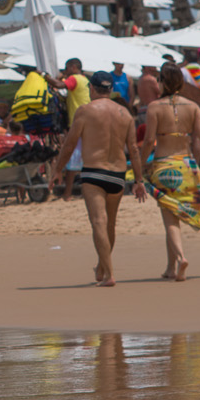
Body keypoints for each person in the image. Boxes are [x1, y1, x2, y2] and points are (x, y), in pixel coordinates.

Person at [48, 87, 146, 287]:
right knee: (110, 223)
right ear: (110, 90)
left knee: (98, 222)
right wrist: (139, 180)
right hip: (118, 174)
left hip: (94, 172)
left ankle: (109, 274)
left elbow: (70, 143)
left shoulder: (85, 110)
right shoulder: (125, 113)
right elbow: (134, 149)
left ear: (92, 88)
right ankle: (102, 267)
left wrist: (58, 170)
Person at [141, 62, 200, 281]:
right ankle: (171, 267)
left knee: (170, 217)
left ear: (162, 82)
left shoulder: (154, 107)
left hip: (164, 166)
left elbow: (149, 140)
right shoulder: (193, 106)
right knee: (183, 207)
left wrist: (140, 165)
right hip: (188, 167)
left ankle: (180, 258)